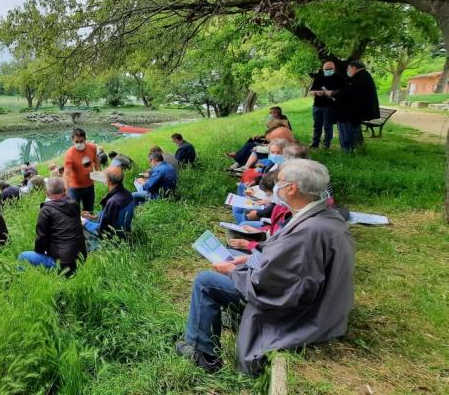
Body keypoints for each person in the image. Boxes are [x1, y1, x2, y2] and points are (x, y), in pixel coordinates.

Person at [176, 159, 354, 374]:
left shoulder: (308, 232)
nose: (275, 187)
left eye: (279, 182)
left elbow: (275, 286)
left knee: (205, 282)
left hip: (300, 311)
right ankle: (228, 318)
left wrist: (235, 272)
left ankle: (202, 354)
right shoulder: (324, 216)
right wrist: (249, 260)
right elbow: (288, 265)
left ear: (292, 188)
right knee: (235, 257)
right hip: (322, 303)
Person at [18, 177, 86, 274]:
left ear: (46, 193)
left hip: (62, 263)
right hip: (81, 259)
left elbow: (41, 238)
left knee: (23, 256)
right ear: (65, 190)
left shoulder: (46, 210)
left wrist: (40, 251)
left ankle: (22, 281)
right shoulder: (74, 204)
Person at [319, 60, 380, 152]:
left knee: (346, 131)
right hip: (355, 111)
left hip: (349, 112)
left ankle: (347, 151)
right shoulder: (363, 76)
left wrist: (332, 93)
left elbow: (346, 91)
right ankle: (358, 149)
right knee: (354, 130)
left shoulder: (360, 77)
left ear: (354, 68)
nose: (348, 71)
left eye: (348, 69)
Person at [81, 166, 134, 239]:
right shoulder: (128, 194)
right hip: (124, 232)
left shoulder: (112, 202)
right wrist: (94, 217)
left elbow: (102, 231)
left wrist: (85, 223)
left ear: (108, 180)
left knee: (81, 225)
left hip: (115, 239)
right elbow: (112, 217)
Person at [308, 61, 345, 149]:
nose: (328, 70)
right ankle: (315, 143)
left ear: (334, 69)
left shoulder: (339, 78)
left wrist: (330, 93)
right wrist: (317, 93)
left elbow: (343, 92)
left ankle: (326, 144)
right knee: (317, 125)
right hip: (317, 105)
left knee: (328, 126)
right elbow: (311, 91)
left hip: (330, 106)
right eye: (326, 69)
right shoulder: (319, 77)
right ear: (323, 69)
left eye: (330, 69)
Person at [63, 128, 101, 212]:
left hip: (90, 185)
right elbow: (66, 173)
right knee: (74, 211)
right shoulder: (69, 154)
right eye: (76, 142)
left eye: (81, 141)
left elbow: (96, 161)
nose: (79, 143)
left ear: (85, 139)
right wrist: (66, 189)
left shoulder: (92, 147)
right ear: (72, 141)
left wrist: (99, 173)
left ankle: (87, 224)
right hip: (74, 188)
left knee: (89, 210)